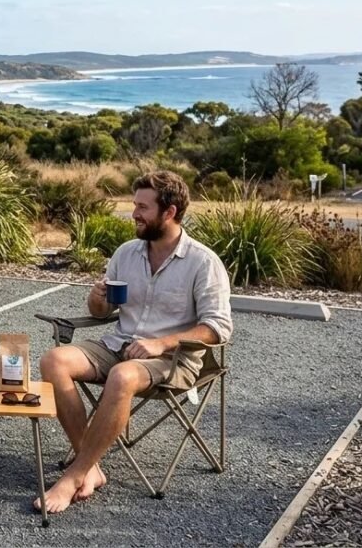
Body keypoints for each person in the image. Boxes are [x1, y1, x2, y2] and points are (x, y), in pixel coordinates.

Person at [36, 170, 233, 514]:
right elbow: (102, 312)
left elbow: (217, 328)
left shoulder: (203, 262)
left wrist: (162, 343)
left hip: (173, 359)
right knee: (54, 360)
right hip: (119, 343)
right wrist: (97, 299)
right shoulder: (127, 253)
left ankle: (73, 476)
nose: (134, 214)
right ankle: (92, 467)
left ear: (169, 212)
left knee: (123, 376)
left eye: (142, 207)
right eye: (134, 205)